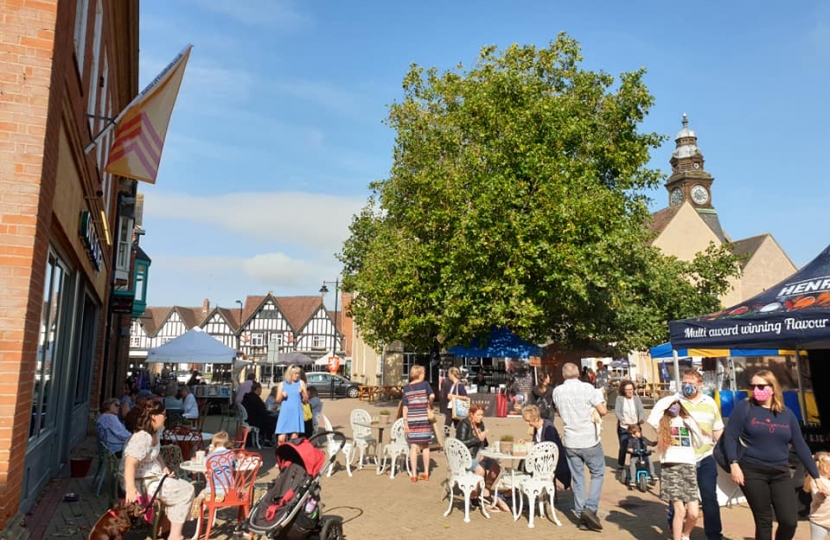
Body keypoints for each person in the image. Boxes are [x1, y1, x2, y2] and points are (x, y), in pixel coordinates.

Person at [725, 369, 822, 540]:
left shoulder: (786, 414)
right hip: (752, 471)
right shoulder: (745, 407)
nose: (756, 390)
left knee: (789, 521)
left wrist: (816, 476)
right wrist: (734, 464)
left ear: (772, 387)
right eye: (752, 386)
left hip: (780, 472)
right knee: (764, 520)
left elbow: (800, 445)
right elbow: (730, 436)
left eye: (761, 386)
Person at [650, 369, 724, 540]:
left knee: (709, 497)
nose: (687, 386)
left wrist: (725, 452)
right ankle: (675, 530)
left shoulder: (710, 402)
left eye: (691, 383)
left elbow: (717, 429)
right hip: (679, 459)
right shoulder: (674, 401)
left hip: (705, 456)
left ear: (700, 385)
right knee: (677, 502)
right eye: (684, 383)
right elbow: (656, 422)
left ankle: (713, 535)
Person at [121, 401, 195, 540]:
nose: (166, 417)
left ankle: (163, 529)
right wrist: (130, 488)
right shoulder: (142, 436)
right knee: (186, 490)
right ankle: (174, 535)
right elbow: (130, 463)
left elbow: (157, 453)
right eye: (164, 414)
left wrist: (164, 468)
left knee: (182, 487)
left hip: (152, 477)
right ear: (154, 416)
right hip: (140, 481)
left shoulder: (154, 433)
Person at [551, 362, 606, 532]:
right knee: (598, 473)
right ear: (578, 373)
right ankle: (590, 508)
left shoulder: (557, 391)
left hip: (570, 440)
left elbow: (559, 412)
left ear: (563, 375)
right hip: (589, 438)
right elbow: (603, 411)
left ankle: (582, 514)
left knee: (578, 477)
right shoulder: (588, 388)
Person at [652, 398, 704, 540]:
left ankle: (685, 535)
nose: (674, 406)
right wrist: (670, 398)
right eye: (671, 404)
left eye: (676, 404)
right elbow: (652, 417)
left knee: (693, 513)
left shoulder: (688, 420)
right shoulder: (662, 422)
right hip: (670, 467)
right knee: (679, 511)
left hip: (688, 466)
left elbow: (700, 443)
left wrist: (691, 426)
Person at [455, 404, 510, 512]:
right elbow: (460, 443)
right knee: (480, 470)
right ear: (471, 414)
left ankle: (486, 491)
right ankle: (473, 496)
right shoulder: (464, 424)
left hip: (480, 454)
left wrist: (486, 445)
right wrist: (477, 438)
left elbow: (484, 443)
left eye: (482, 415)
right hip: (467, 457)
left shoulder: (481, 425)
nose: (481, 417)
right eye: (478, 415)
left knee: (496, 467)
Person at [519, 404, 571, 490]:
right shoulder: (537, 428)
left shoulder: (548, 428)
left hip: (552, 464)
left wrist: (533, 445)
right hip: (542, 461)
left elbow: (549, 447)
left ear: (535, 418)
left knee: (525, 463)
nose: (527, 423)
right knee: (523, 461)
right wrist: (527, 442)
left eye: (528, 421)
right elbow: (538, 443)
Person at [402, 365, 435, 482]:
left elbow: (405, 406)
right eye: (424, 372)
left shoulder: (406, 388)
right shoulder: (425, 384)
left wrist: (405, 422)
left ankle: (414, 474)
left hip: (411, 418)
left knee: (413, 446)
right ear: (420, 373)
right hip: (423, 417)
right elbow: (432, 396)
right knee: (425, 445)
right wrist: (430, 403)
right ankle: (426, 472)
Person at [614, 379, 646, 480]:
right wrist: (622, 420)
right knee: (624, 445)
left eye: (631, 389)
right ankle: (620, 465)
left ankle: (638, 462)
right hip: (624, 427)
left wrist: (641, 419)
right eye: (627, 390)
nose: (630, 391)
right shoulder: (619, 399)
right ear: (623, 390)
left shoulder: (636, 399)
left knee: (639, 444)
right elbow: (617, 411)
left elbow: (641, 410)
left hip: (635, 426)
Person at [275, 366, 307, 443]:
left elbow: (306, 400)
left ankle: (291, 454)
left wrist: (302, 392)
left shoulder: (301, 383)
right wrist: (282, 395)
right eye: (295, 374)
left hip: (296, 412)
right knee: (281, 439)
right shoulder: (282, 384)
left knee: (294, 439)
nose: (297, 375)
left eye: (298, 374)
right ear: (290, 374)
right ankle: (281, 454)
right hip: (285, 413)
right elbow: (277, 400)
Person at [806, 452, 830, 540]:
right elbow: (817, 499)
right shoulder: (817, 482)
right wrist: (822, 494)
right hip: (820, 521)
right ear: (825, 468)